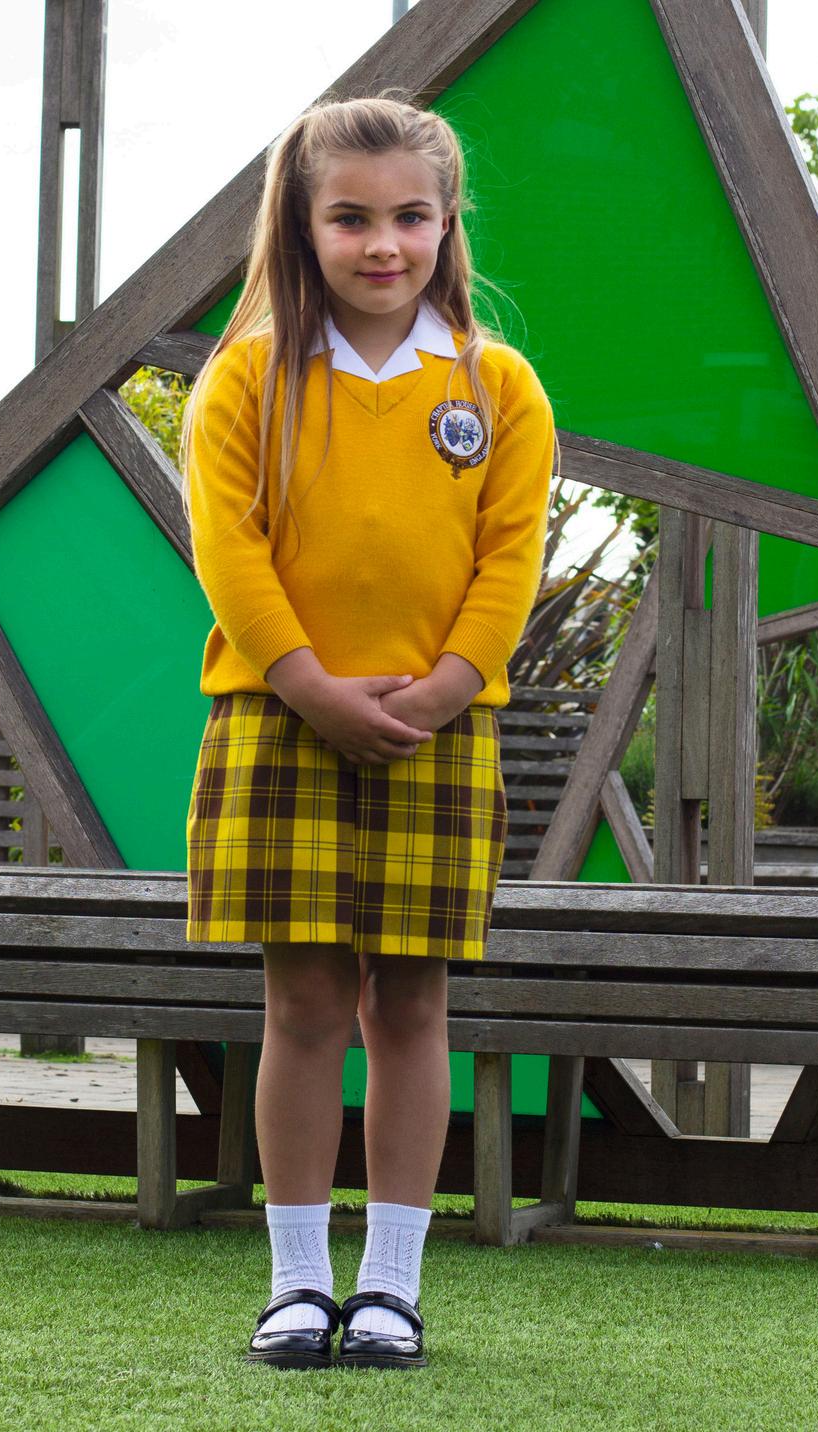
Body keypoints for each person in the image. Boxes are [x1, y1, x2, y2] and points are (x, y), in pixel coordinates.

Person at [181, 92, 556, 1370]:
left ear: (448, 223)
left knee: (410, 1003)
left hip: (437, 733)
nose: (381, 243)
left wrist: (444, 690)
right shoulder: (247, 375)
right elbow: (229, 551)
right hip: (275, 720)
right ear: (303, 223)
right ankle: (298, 1283)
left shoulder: (497, 387)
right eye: (349, 217)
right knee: (301, 1004)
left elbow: (510, 559)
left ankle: (390, 1287)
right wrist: (312, 688)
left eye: (409, 216)